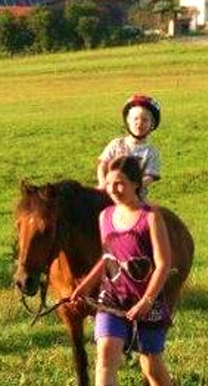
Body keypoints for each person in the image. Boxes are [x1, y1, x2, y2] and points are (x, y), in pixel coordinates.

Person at [69, 155, 175, 386]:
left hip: (146, 303)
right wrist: (85, 286)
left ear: (135, 184)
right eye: (109, 183)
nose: (113, 189)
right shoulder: (104, 217)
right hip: (112, 299)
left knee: (152, 368)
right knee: (106, 355)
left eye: (120, 183)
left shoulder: (150, 217)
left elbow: (163, 263)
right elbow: (108, 257)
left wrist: (146, 301)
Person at [98, 95, 163, 194]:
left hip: (136, 198)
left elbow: (149, 177)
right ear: (128, 121)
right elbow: (103, 165)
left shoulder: (151, 152)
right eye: (135, 119)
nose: (139, 123)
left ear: (152, 124)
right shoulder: (116, 144)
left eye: (145, 120)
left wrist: (130, 188)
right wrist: (103, 183)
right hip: (110, 194)